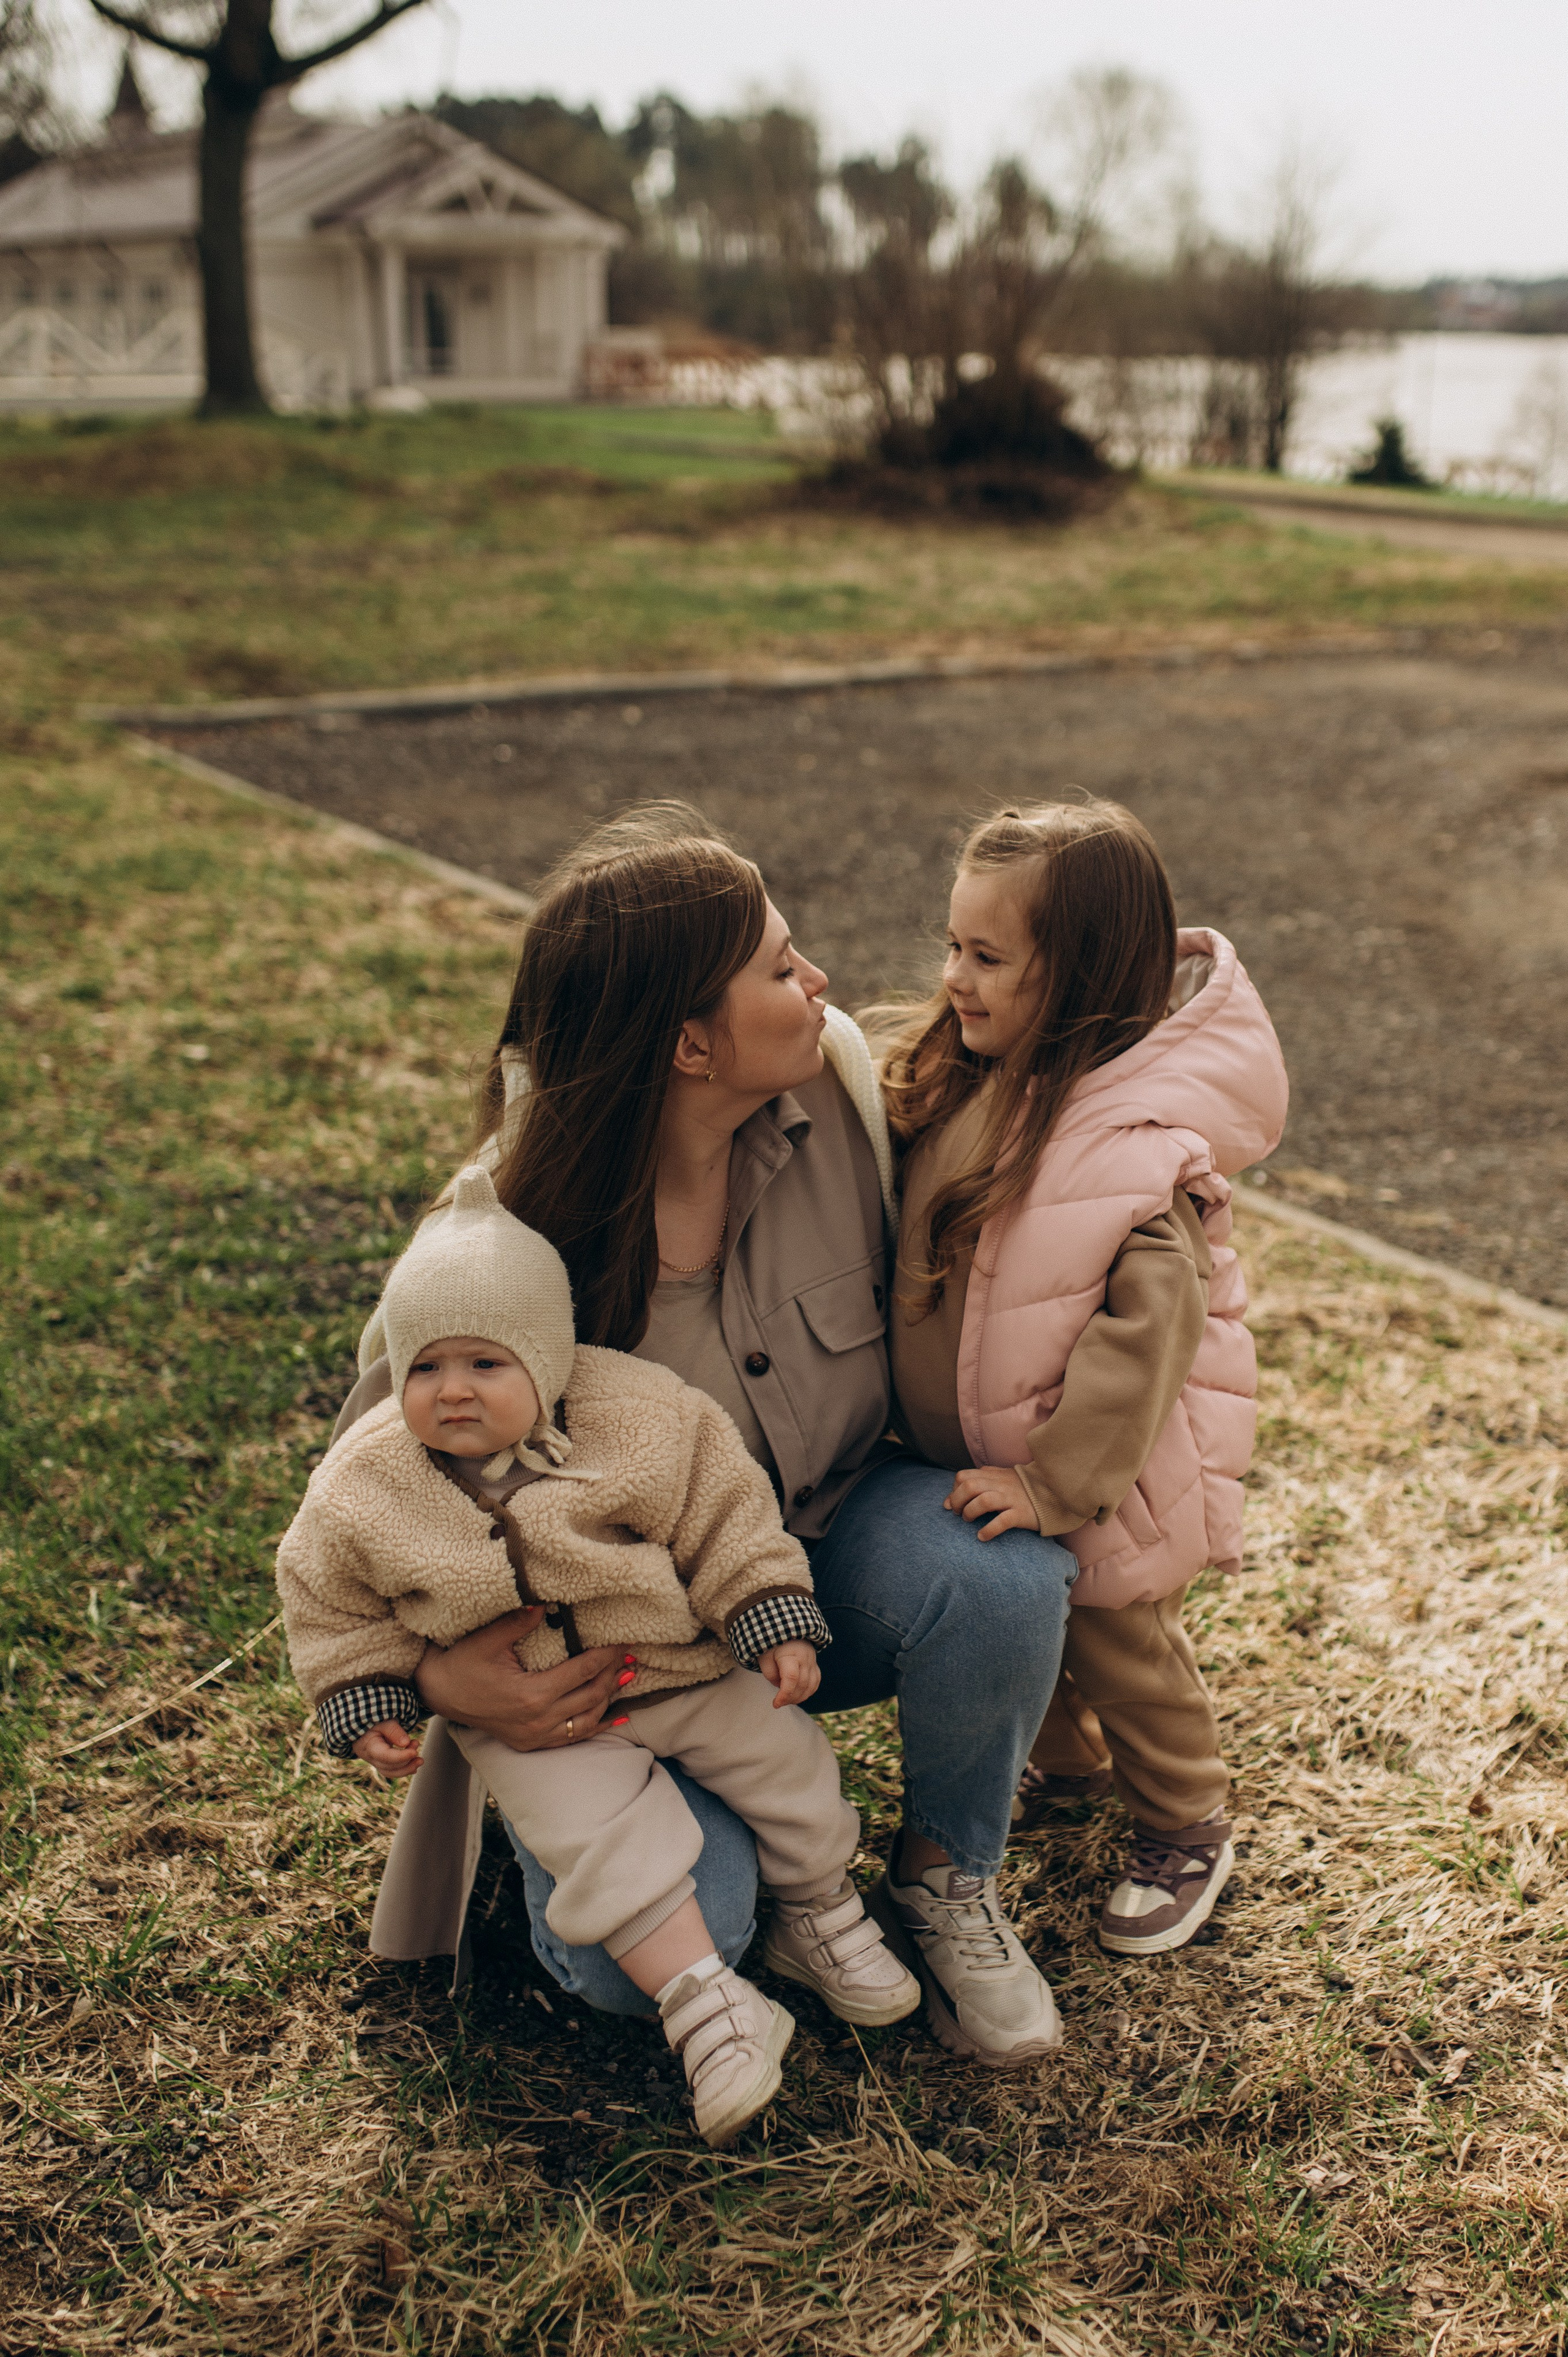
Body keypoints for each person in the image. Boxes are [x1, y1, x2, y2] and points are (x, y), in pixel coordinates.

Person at [336, 805, 1076, 2067]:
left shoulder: (839, 1087)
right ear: (688, 1042)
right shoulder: (508, 1232)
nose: (819, 982)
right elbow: (359, 1494)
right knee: (675, 1960)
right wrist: (439, 1684)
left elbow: (1064, 1091)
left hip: (823, 1572)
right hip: (620, 1669)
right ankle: (601, 1857)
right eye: (780, 967)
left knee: (997, 1572)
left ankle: (943, 1886)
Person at [277, 1164, 916, 2148]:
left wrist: (769, 1613)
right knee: (607, 1850)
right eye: (425, 1367)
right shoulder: (366, 1482)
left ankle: (823, 1912)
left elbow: (723, 1513)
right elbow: (328, 1600)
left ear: (545, 1357)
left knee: (787, 1771)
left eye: (485, 1365)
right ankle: (711, 2009)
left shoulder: (638, 1417)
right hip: (536, 1724)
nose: (452, 1392)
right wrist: (370, 1696)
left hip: (681, 1666)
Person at [877, 798, 1287, 1956]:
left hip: (1099, 1468)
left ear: (1082, 976)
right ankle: (1069, 1771)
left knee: (1117, 1642)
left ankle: (1187, 1818)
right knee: (1037, 1636)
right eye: (953, 946)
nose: (957, 977)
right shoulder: (974, 1079)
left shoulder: (1128, 1144)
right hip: (995, 1451)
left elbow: (1148, 1335)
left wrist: (1060, 1483)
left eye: (988, 957)